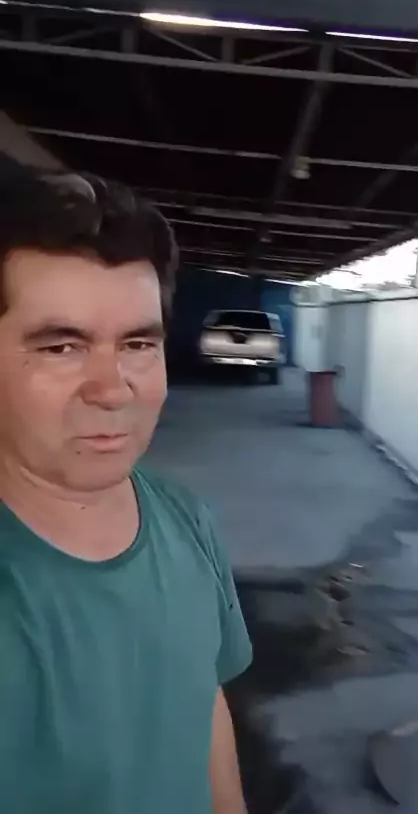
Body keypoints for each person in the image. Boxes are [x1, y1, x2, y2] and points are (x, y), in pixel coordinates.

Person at [0, 159, 252, 814]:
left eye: (138, 344)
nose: (113, 390)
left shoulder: (186, 520)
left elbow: (205, 707)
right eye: (61, 347)